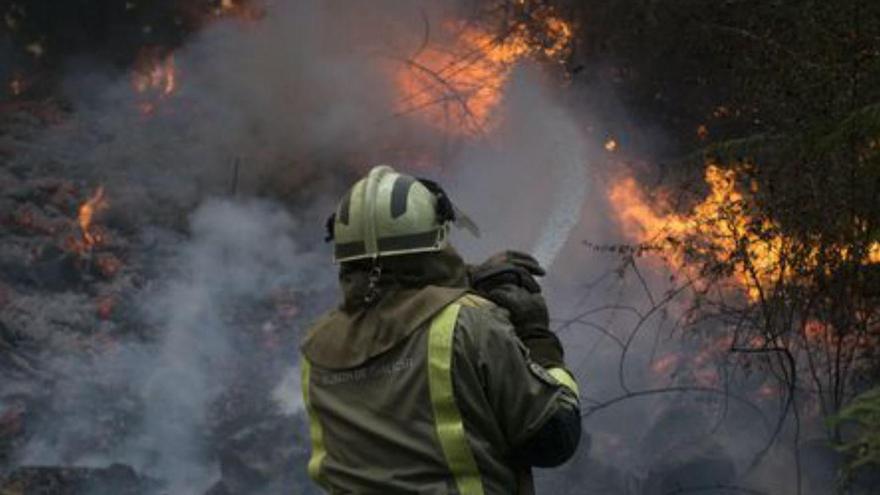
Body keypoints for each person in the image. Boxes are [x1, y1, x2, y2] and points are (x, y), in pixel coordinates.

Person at [300, 165, 583, 494]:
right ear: (437, 239)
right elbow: (554, 439)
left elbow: (395, 289)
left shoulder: (317, 347)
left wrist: (472, 280)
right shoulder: (469, 325)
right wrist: (536, 335)